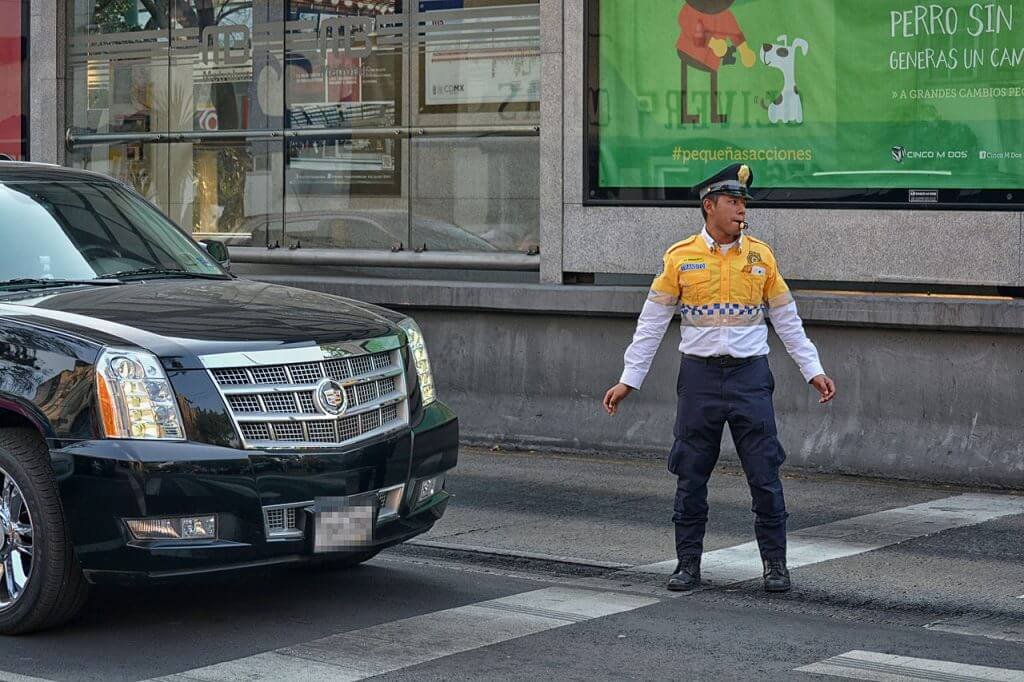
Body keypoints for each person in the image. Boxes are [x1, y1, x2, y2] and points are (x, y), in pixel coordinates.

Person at [602, 163, 836, 593]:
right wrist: (628, 379)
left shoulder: (761, 256)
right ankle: (688, 565)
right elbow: (651, 323)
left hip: (750, 379)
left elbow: (787, 320)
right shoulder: (681, 257)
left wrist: (813, 370)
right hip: (700, 380)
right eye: (733, 201)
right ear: (709, 206)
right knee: (691, 475)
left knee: (765, 474)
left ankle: (775, 566)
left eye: (744, 202)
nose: (742, 210)